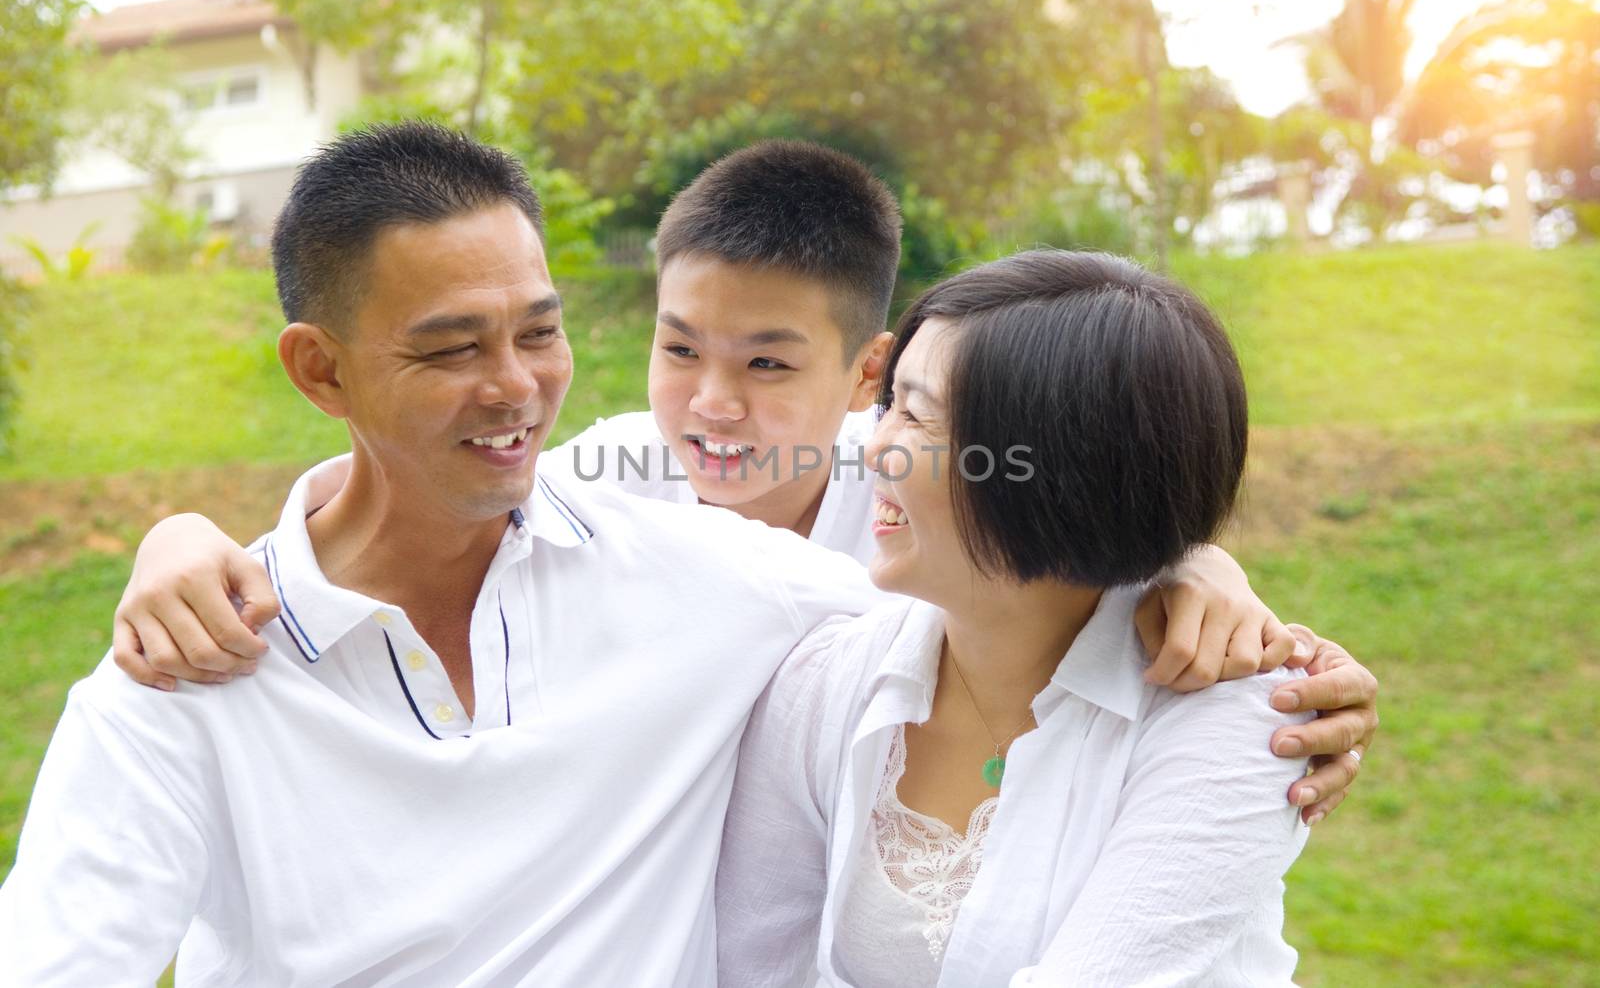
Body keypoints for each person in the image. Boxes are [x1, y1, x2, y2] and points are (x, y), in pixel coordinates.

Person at [111, 141, 1377, 823]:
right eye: (678, 348)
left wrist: (1186, 563)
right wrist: (178, 536)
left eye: (769, 363)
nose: (711, 403)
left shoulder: (928, 507)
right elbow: (403, 476)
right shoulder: (605, 475)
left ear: (867, 374)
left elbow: (1069, 526)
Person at [0, 123, 889, 984]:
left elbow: (978, 633)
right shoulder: (179, 681)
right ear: (321, 371)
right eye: (453, 347)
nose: (516, 387)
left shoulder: (712, 575)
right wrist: (179, 537)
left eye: (539, 333)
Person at [717, 250, 1319, 986]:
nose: (874, 449)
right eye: (888, 407)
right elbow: (752, 965)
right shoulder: (825, 683)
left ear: (1060, 470)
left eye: (917, 415)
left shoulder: (1236, 717)